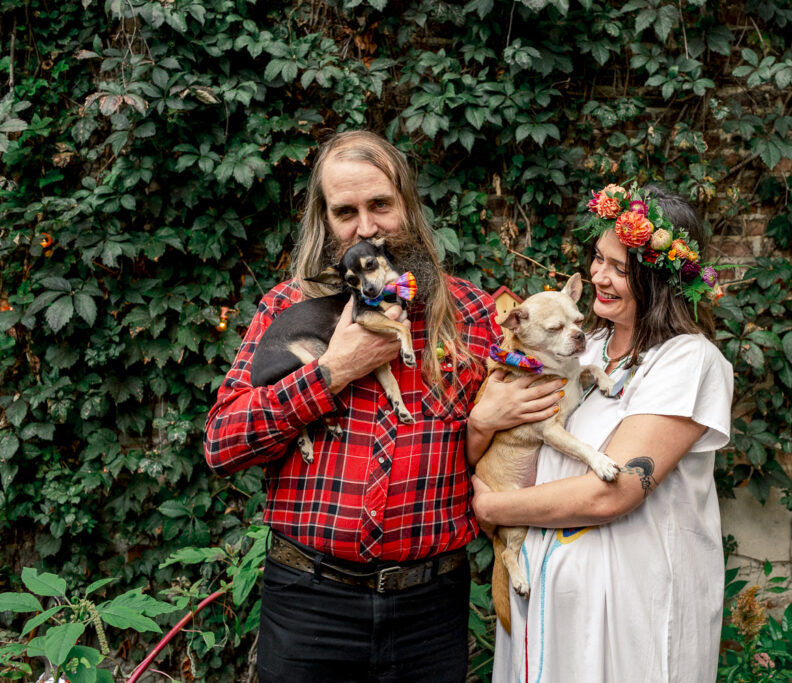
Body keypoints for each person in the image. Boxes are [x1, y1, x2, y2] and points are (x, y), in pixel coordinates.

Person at [203, 130, 564, 682]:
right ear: (324, 221)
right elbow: (221, 444)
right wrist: (332, 371)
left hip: (429, 610)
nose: (366, 228)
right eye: (345, 211)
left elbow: (523, 427)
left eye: (380, 205)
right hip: (309, 606)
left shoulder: (470, 314)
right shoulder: (289, 308)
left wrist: (486, 423)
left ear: (409, 207)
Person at [468, 183, 735, 682]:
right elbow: (498, 438)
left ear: (658, 279)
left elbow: (614, 492)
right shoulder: (579, 345)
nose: (599, 277)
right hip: (544, 600)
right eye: (598, 259)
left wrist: (490, 508)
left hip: (631, 605)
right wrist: (483, 422)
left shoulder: (687, 360)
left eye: (620, 268)